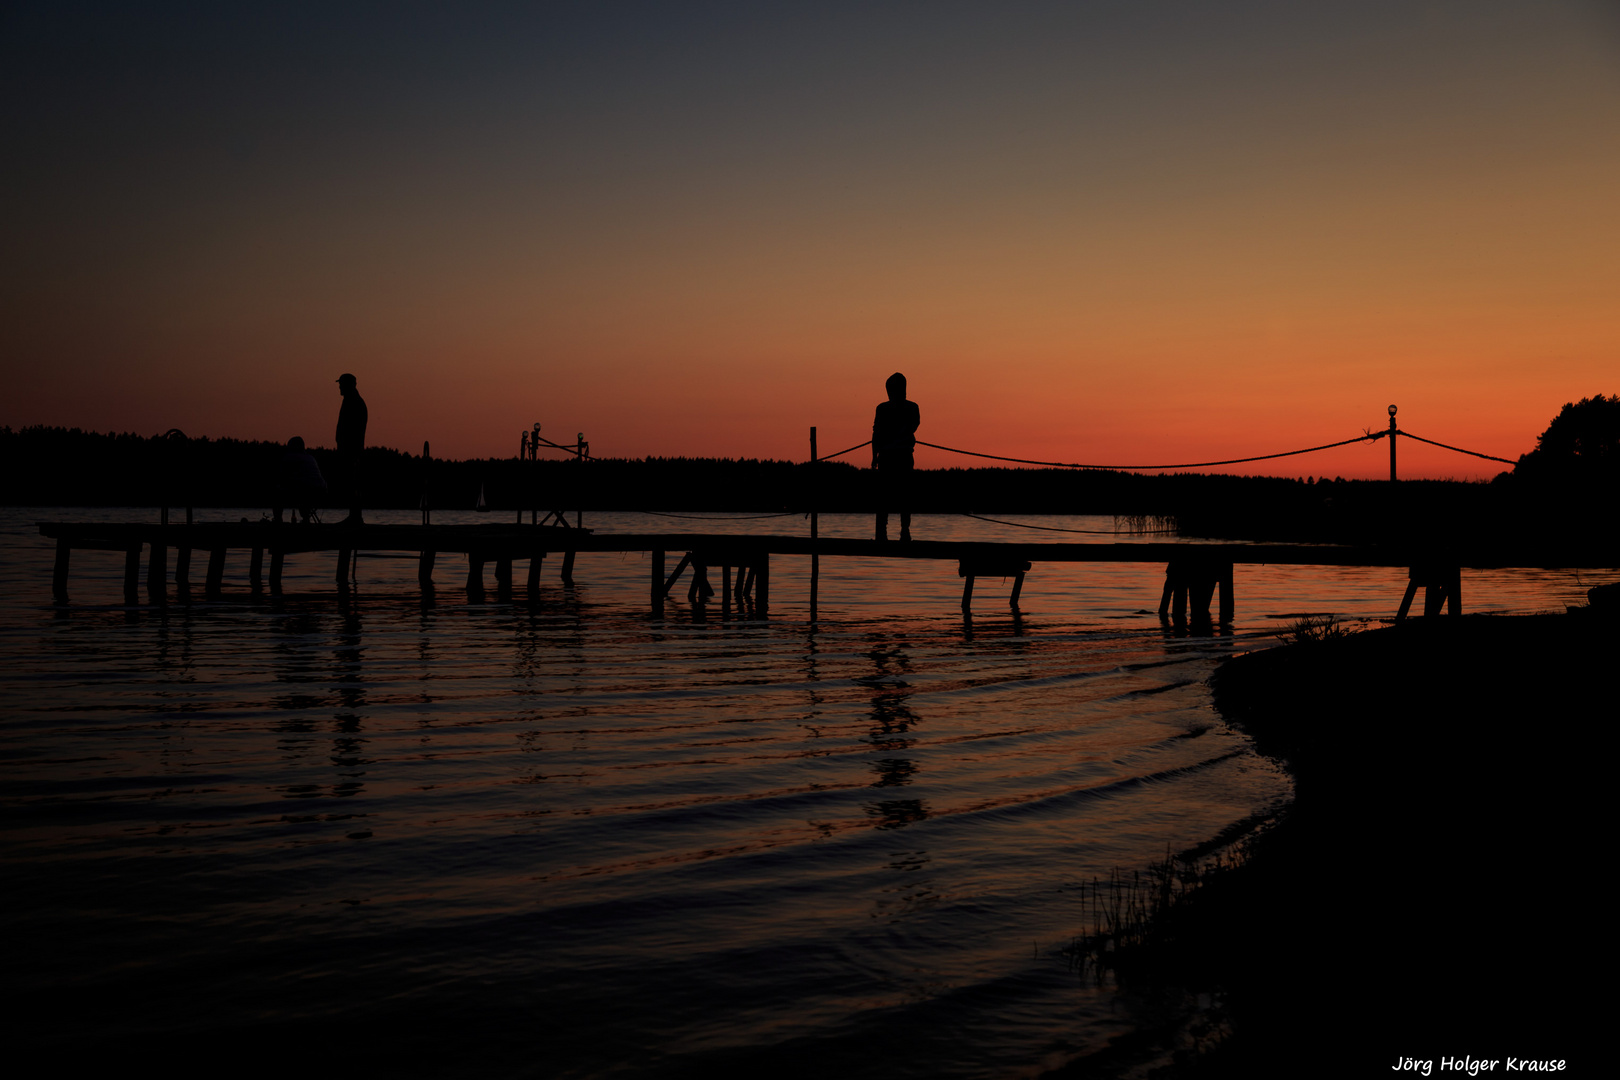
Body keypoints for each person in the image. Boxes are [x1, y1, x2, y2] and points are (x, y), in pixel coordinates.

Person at [871, 371, 920, 541]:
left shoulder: (911, 407)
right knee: (886, 495)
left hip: (902, 456)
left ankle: (903, 531)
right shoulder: (883, 408)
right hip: (888, 457)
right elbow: (876, 433)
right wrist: (874, 455)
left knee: (903, 495)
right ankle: (883, 531)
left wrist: (876, 453)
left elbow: (912, 426)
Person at [335, 372, 368, 525]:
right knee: (352, 483)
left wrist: (346, 447)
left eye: (341, 384)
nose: (340, 387)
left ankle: (355, 517)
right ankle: (354, 516)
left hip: (352, 450)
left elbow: (352, 429)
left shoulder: (354, 402)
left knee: (354, 483)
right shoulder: (352, 400)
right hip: (349, 449)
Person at [273, 436, 327, 524]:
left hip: (305, 491)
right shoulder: (310, 458)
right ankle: (306, 519)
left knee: (277, 492)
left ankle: (278, 520)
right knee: (303, 491)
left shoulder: (290, 457)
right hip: (321, 492)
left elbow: (283, 477)